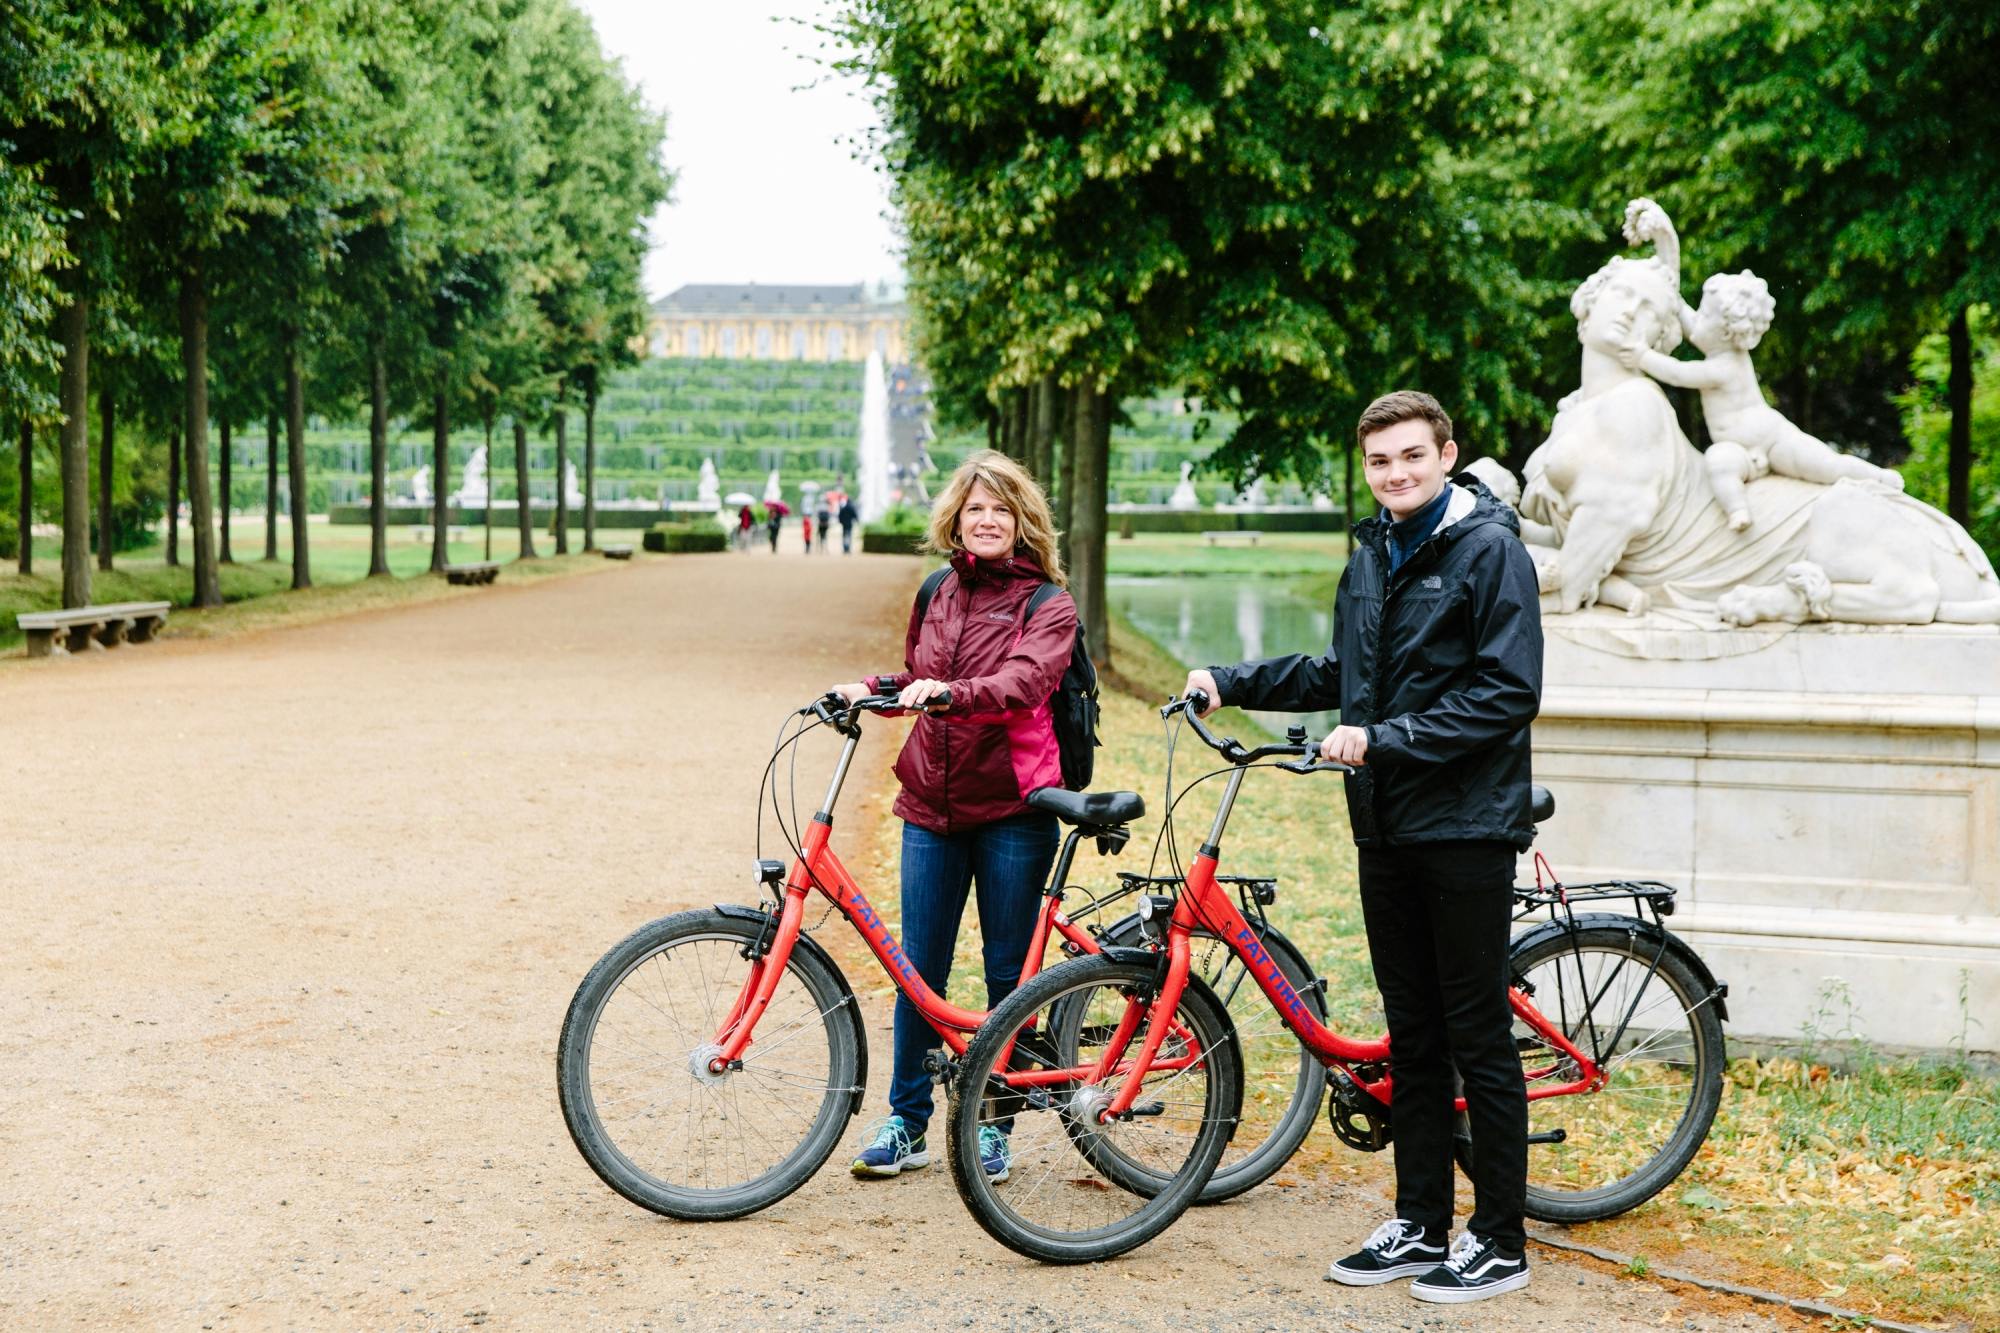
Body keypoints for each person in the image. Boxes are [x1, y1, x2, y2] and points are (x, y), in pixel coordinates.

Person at [1184, 391, 1542, 1306]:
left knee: (1475, 1036)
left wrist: (1386, 738)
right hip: (1383, 823)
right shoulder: (1372, 553)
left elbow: (1507, 693)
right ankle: (1420, 1223)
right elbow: (1345, 674)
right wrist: (1229, 679)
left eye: (1413, 457)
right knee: (1413, 1036)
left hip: (1465, 825)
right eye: (1381, 461)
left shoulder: (1490, 550)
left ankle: (1499, 1237)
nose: (1397, 474)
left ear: (1447, 453)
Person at [827, 450, 1077, 1187]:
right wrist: (871, 686)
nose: (989, 519)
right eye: (976, 508)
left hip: (1011, 810)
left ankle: (993, 1124)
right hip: (928, 805)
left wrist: (950, 694)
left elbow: (1024, 679)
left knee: (1009, 975)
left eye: (1002, 508)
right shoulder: (937, 588)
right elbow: (919, 672)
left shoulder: (1048, 604)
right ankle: (906, 1120)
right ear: (957, 520)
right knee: (917, 969)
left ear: (1023, 520)